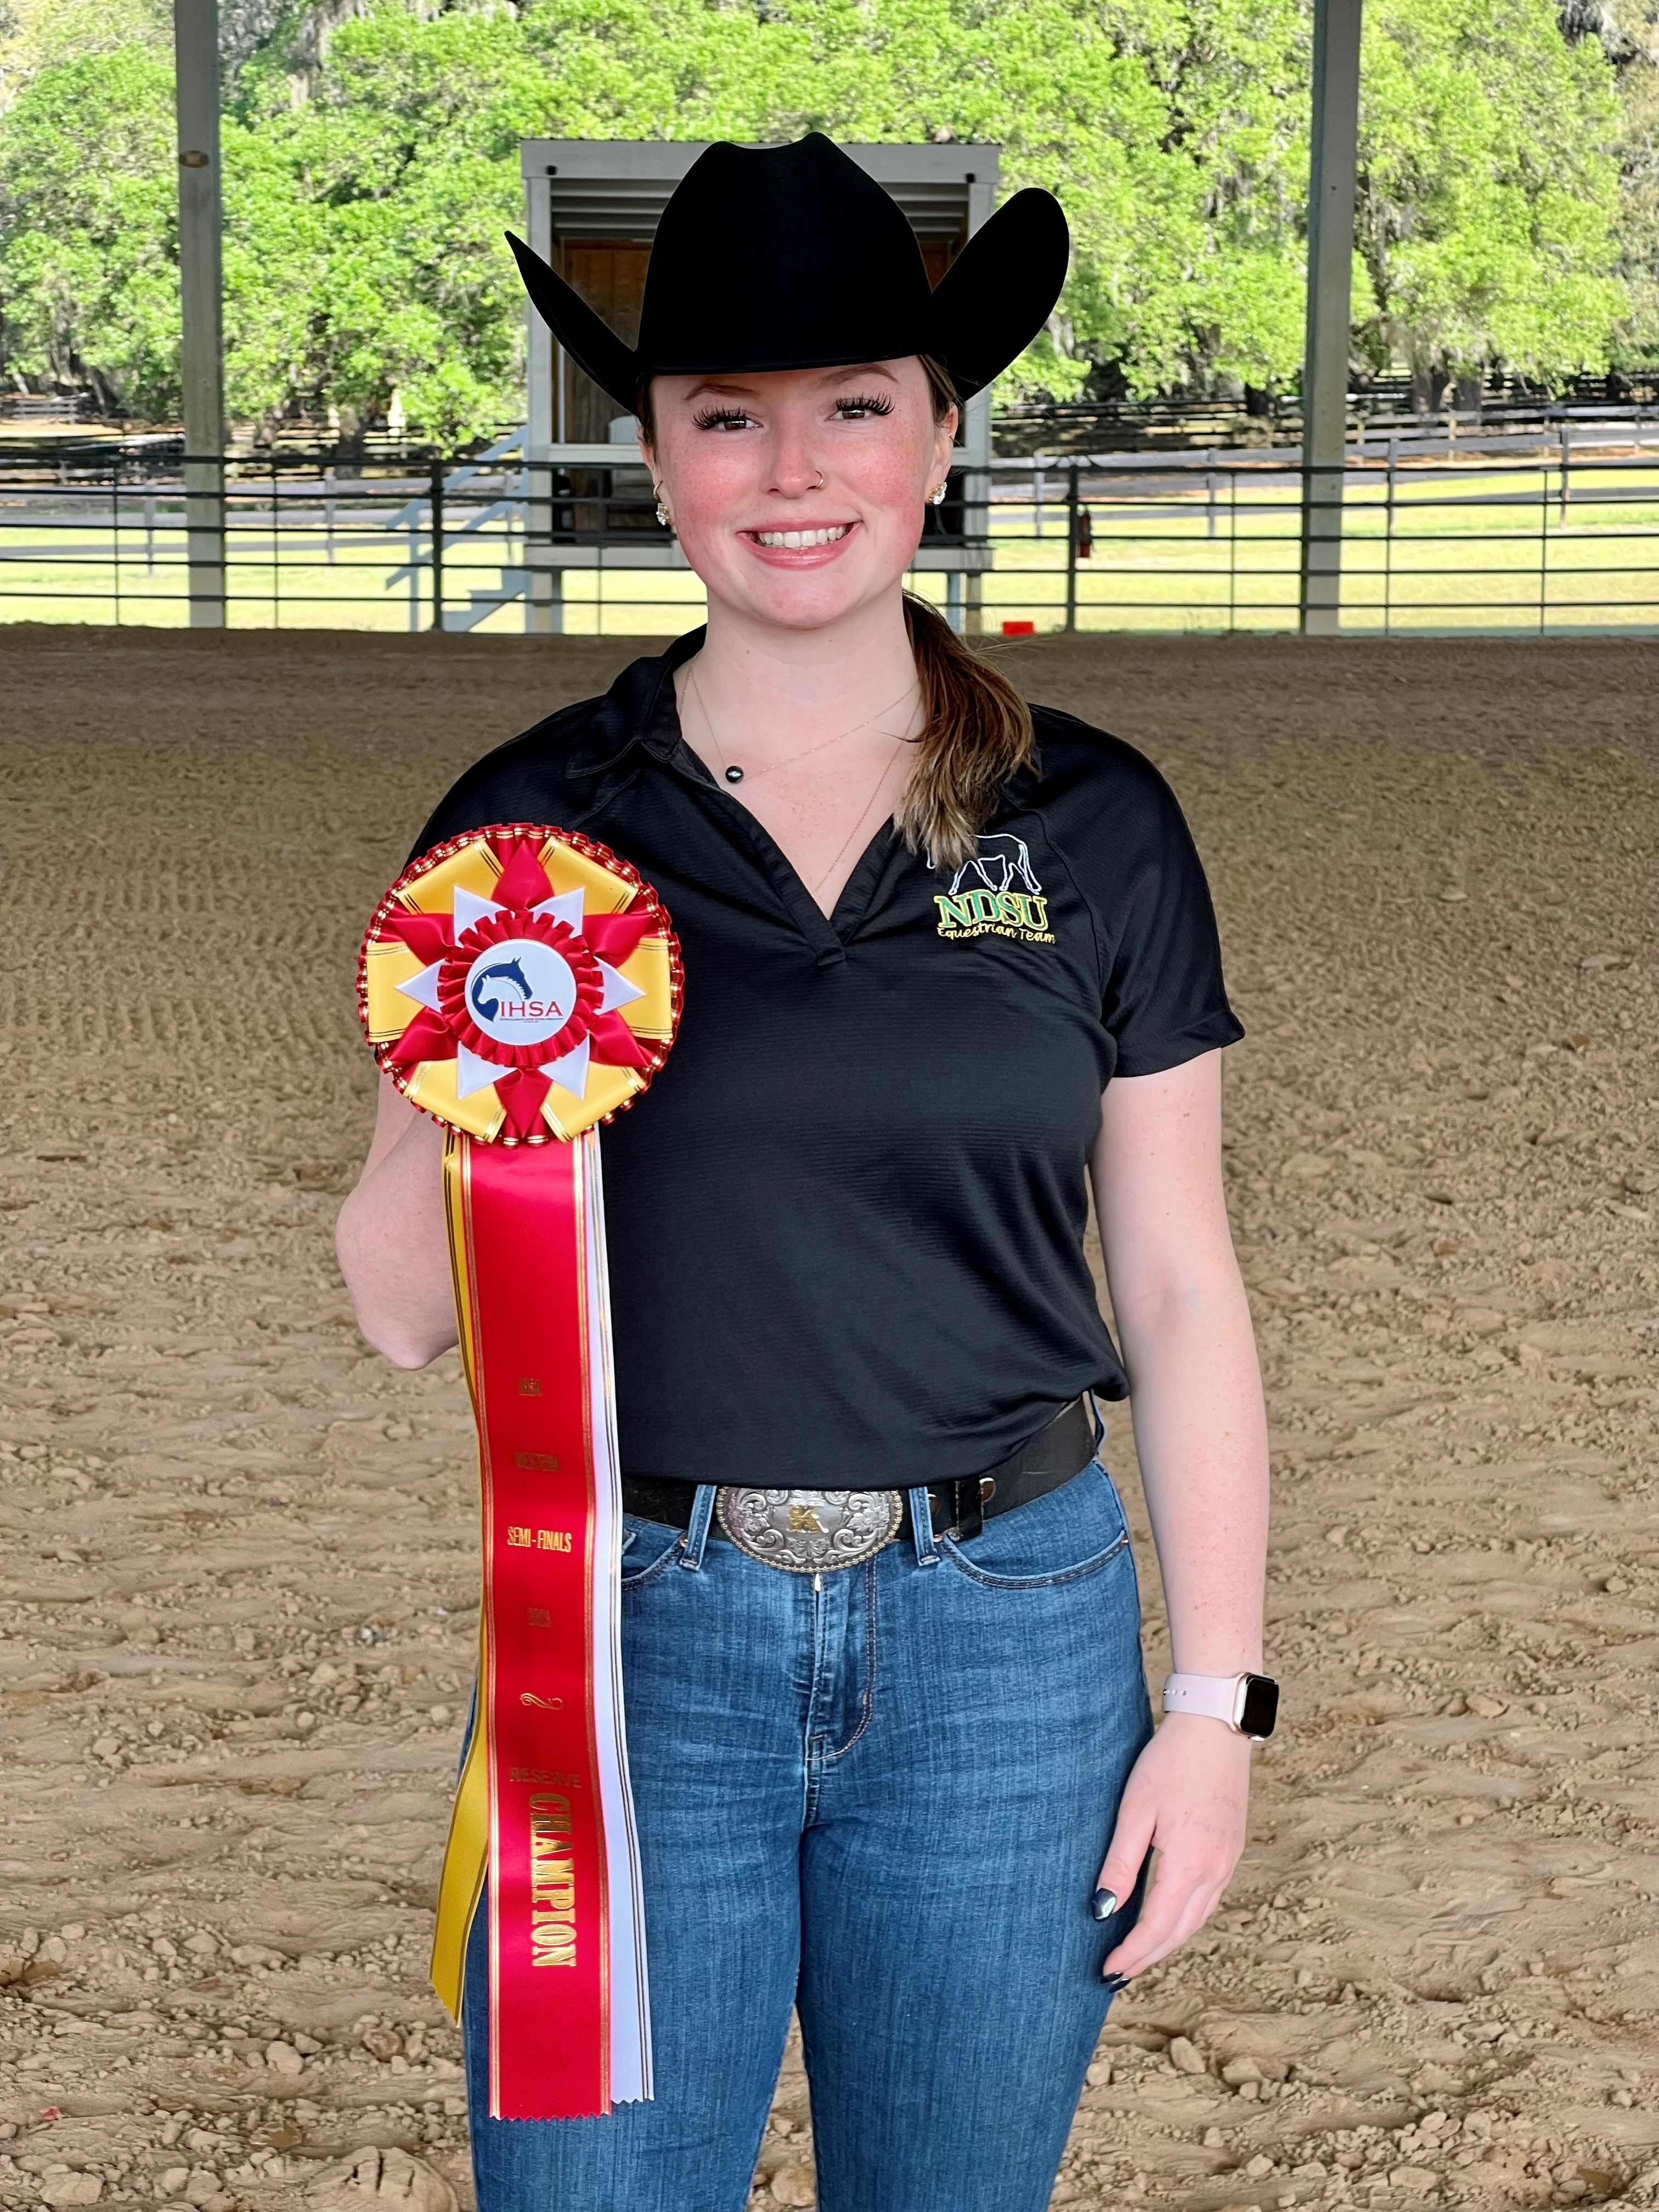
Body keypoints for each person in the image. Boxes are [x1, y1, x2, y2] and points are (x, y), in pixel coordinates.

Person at [336, 133, 1273, 2212]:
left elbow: (1186, 1287)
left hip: (1013, 1648)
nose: (793, 473)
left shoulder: (1098, 824)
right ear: (652, 458)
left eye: (854, 406)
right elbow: (408, 1311)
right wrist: (450, 1053)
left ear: (938, 437)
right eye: (726, 418)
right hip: (634, 1643)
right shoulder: (529, 823)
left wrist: (1213, 1706)